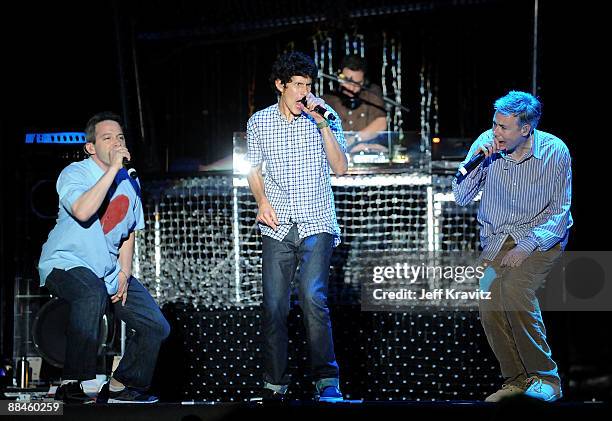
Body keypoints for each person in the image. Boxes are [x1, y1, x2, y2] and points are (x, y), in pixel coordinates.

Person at [38, 112, 170, 404]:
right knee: (90, 293)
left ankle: (122, 385)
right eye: (107, 138)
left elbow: (129, 231)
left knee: (156, 326)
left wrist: (124, 272)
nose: (116, 142)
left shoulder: (130, 183)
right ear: (91, 147)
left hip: (108, 271)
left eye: (120, 137)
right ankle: (71, 382)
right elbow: (83, 211)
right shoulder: (75, 173)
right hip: (66, 263)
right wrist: (112, 170)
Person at [453, 91, 572, 402]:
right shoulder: (486, 145)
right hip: (497, 239)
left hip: (542, 235)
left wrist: (527, 246)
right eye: (495, 124)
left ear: (525, 129)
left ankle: (547, 378)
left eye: (504, 127)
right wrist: (479, 160)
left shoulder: (555, 151)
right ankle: (516, 380)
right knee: (488, 298)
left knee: (515, 291)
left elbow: (561, 210)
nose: (496, 132)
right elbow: (461, 196)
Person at [246, 51, 347, 402]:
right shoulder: (259, 122)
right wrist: (261, 201)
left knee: (312, 296)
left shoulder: (324, 117)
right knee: (274, 304)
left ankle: (326, 380)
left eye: (308, 85)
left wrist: (321, 122)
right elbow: (252, 169)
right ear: (280, 85)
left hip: (316, 220)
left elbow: (341, 167)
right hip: (277, 224)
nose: (304, 92)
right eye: (298, 85)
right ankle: (275, 383)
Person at [322, 54, 387, 153]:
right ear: (339, 76)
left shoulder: (372, 92)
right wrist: (344, 145)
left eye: (357, 83)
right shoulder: (328, 98)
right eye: (347, 81)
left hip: (368, 153)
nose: (351, 88)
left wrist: (354, 139)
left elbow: (381, 123)